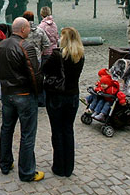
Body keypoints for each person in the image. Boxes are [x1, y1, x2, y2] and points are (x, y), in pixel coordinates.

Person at [0, 17, 44, 182]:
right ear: (23, 29)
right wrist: (37, 92)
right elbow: (34, 73)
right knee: (27, 134)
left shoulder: (2, 45)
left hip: (7, 94)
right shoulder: (26, 46)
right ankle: (27, 171)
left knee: (6, 129)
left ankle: (5, 163)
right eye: (28, 28)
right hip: (23, 94)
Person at [42, 26, 84, 177]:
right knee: (68, 129)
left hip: (57, 96)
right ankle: (69, 166)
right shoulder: (80, 55)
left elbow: (44, 70)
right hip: (72, 96)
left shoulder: (57, 55)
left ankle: (59, 165)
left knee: (57, 130)